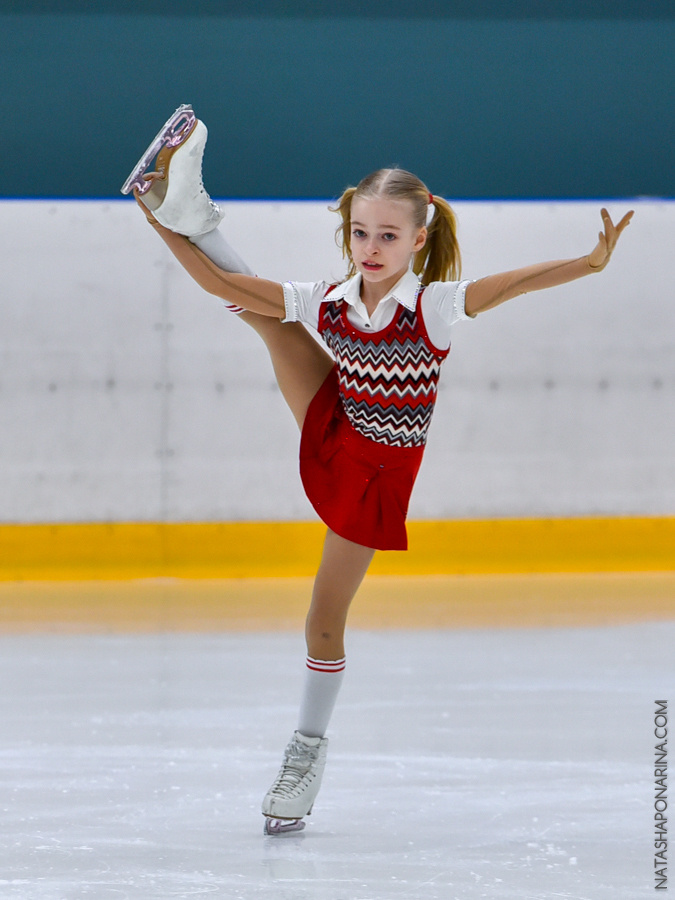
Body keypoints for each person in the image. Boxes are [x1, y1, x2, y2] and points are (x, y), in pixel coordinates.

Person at [122, 105, 633, 835]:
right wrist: (152, 221)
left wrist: (585, 263)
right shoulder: (327, 301)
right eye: (360, 232)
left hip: (375, 478)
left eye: (387, 235)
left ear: (418, 240)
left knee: (322, 621)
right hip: (334, 424)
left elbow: (511, 284)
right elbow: (222, 289)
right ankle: (184, 210)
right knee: (264, 312)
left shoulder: (432, 307)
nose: (370, 247)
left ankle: (305, 753)